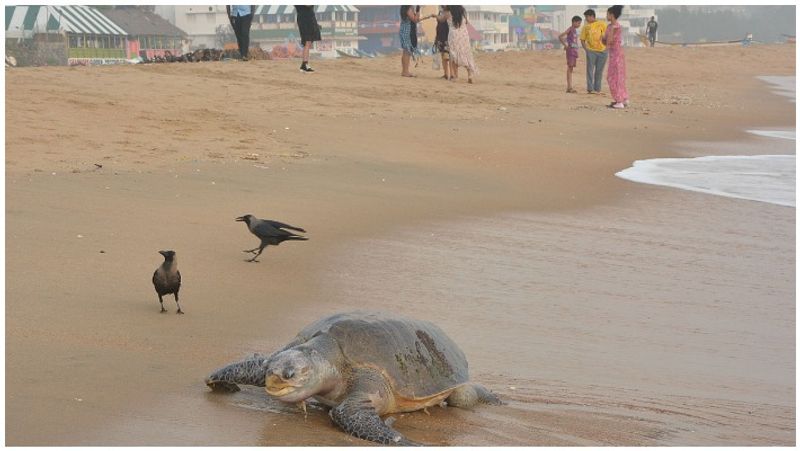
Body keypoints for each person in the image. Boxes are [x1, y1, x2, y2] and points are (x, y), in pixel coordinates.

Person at [446, 5, 478, 83]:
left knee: (454, 56)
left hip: (453, 36)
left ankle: (456, 76)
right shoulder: (462, 11)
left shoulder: (449, 12)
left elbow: (442, 20)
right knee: (466, 55)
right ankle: (470, 75)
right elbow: (466, 22)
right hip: (463, 36)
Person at [604, 5, 628, 109]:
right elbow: (605, 40)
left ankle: (619, 101)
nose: (606, 16)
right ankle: (624, 98)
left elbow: (608, 41)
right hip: (614, 54)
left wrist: (605, 44)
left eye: (608, 14)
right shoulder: (609, 27)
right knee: (618, 77)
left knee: (613, 78)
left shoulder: (615, 27)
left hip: (616, 55)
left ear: (612, 15)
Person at [580, 9, 607, 94]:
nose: (586, 19)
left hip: (603, 51)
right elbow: (582, 39)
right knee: (590, 70)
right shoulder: (586, 27)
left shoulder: (602, 24)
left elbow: (607, 36)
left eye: (587, 17)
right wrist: (586, 49)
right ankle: (590, 89)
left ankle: (597, 89)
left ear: (592, 16)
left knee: (599, 71)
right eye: (585, 17)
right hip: (591, 51)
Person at [559, 15, 582, 93]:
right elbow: (560, 36)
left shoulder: (574, 30)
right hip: (571, 51)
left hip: (574, 51)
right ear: (574, 22)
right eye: (578, 23)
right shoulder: (570, 29)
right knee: (570, 68)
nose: (579, 25)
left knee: (571, 69)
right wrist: (565, 45)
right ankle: (569, 87)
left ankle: (570, 87)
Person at [295, 5, 321, 73]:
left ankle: (304, 64)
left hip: (309, 20)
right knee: (307, 42)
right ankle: (304, 64)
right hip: (305, 21)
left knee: (308, 43)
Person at [434, 6, 450, 80]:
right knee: (443, 55)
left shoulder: (448, 11)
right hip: (440, 35)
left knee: (447, 56)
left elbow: (442, 20)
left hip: (446, 36)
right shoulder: (441, 10)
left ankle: (451, 74)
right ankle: (446, 74)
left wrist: (435, 16)